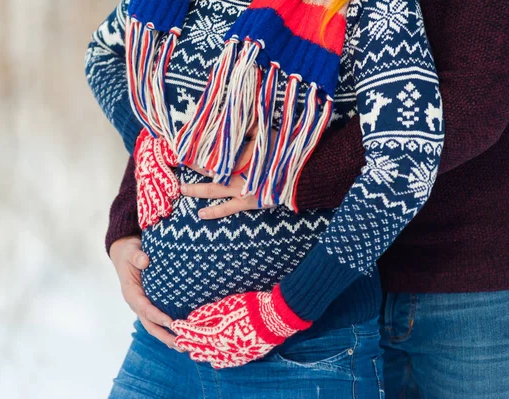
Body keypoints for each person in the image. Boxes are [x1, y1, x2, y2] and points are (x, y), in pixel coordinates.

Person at [86, 0, 444, 397]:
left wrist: (284, 312)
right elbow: (103, 54)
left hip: (305, 358)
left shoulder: (376, 6)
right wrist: (147, 141)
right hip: (161, 349)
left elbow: (405, 166)